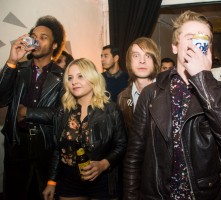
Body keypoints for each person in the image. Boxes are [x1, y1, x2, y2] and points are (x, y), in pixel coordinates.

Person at [123, 10, 221, 200]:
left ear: (209, 49)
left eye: (203, 39)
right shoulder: (151, 93)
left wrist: (202, 79)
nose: (197, 44)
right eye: (190, 37)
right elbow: (134, 155)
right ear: (174, 46)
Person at [25, 58, 127, 200]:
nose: (74, 82)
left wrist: (103, 164)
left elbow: (121, 145)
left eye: (80, 76)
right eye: (70, 77)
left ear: (92, 78)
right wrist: (51, 181)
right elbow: (57, 150)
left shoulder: (111, 110)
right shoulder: (63, 112)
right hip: (69, 180)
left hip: (103, 180)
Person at [0, 15, 65, 200]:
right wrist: (12, 60)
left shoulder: (63, 76)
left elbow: (61, 115)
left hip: (46, 147)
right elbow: (1, 99)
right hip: (16, 145)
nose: (36, 40)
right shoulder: (18, 69)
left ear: (54, 45)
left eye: (44, 37)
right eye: (34, 35)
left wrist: (27, 112)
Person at [117, 37, 160, 133]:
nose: (142, 61)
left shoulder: (167, 93)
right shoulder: (122, 98)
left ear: (155, 62)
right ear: (129, 62)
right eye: (136, 56)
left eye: (148, 56)